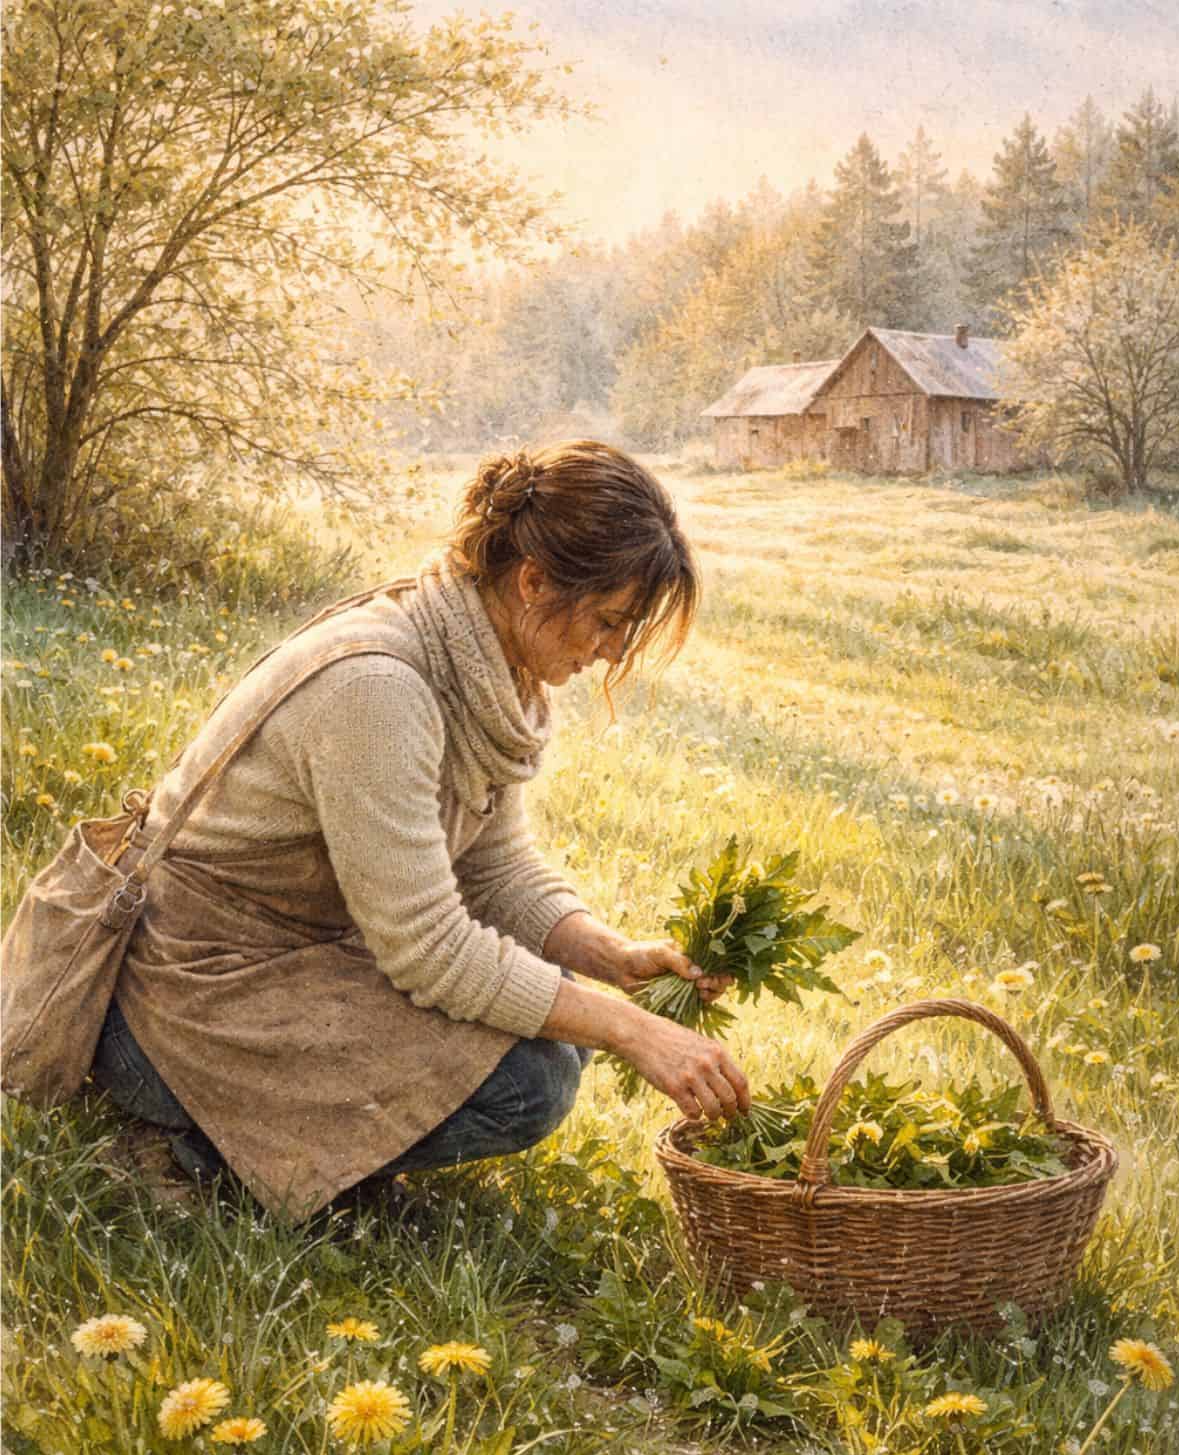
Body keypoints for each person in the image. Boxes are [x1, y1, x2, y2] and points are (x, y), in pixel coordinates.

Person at [92, 440, 751, 1225]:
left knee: (561, 1018)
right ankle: (203, 1155)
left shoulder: (485, 662)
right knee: (532, 1081)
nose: (611, 651)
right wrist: (633, 1031)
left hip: (290, 956)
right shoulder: (379, 689)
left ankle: (308, 1155)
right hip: (179, 999)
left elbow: (493, 870)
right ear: (533, 582)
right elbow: (428, 949)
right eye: (608, 622)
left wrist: (611, 959)